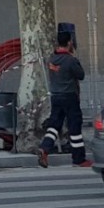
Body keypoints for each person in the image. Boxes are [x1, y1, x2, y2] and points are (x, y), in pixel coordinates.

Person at [37, 30, 89, 168]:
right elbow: (81, 75)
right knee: (74, 126)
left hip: (55, 96)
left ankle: (45, 148)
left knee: (54, 125)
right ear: (69, 43)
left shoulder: (51, 60)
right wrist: (74, 58)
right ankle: (79, 159)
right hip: (70, 97)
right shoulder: (70, 60)